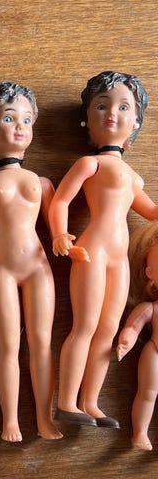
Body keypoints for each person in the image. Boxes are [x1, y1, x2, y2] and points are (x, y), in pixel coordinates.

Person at [49, 71, 158, 428]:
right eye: (102, 106)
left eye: (124, 107)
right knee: (85, 324)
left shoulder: (134, 177)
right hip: (91, 250)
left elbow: (152, 211)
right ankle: (67, 402)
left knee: (109, 328)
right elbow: (60, 201)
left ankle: (91, 402)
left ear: (136, 121)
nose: (112, 113)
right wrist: (60, 234)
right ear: (87, 119)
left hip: (119, 258)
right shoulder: (90, 163)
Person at [0, 81, 62, 442]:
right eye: (8, 118)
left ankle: (45, 418)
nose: (20, 126)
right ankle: (10, 421)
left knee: (42, 342)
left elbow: (56, 222)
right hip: (1, 269)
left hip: (38, 266)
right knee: (8, 346)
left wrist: (63, 238)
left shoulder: (42, 182)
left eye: (27, 120)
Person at [117, 221, 158, 450]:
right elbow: (133, 327)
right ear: (150, 273)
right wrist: (127, 339)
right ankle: (140, 432)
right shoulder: (150, 308)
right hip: (155, 353)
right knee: (148, 393)